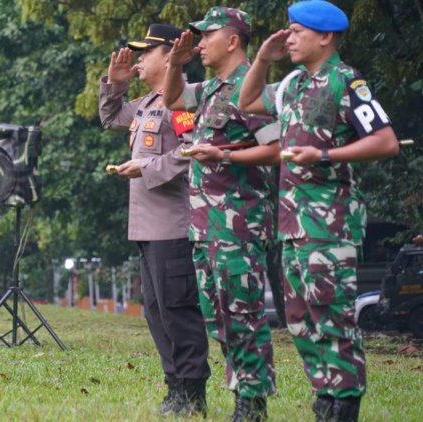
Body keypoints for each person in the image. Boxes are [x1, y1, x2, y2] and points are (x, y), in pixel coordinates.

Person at [238, 1, 400, 421]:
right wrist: (260, 58)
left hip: (330, 226)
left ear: (325, 36)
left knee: (332, 317)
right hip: (292, 225)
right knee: (299, 319)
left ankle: (343, 404)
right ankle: (324, 398)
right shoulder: (293, 84)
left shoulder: (346, 82)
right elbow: (249, 100)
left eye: (296, 31)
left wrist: (324, 155)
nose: (288, 38)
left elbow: (386, 142)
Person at [162, 6, 282, 421]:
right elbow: (173, 99)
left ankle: (252, 405)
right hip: (206, 226)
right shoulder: (213, 88)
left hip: (239, 227)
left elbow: (276, 149)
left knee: (243, 315)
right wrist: (175, 65)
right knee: (220, 319)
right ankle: (242, 398)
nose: (200, 43)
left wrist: (225, 156)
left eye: (207, 35)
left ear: (233, 40)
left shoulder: (249, 88)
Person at [98, 24, 211, 417]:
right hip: (146, 226)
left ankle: (193, 392)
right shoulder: (147, 103)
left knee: (178, 310)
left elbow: (192, 150)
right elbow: (112, 117)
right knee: (156, 311)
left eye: (146, 53)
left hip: (173, 225)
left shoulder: (181, 102)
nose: (139, 59)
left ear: (169, 54)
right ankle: (175, 386)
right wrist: (113, 85)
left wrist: (145, 168)